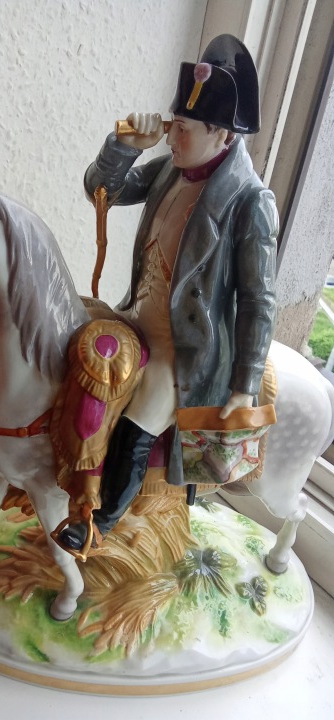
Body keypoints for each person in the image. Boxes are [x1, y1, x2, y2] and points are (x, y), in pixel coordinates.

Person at [58, 34, 278, 553]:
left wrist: (245, 383)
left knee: (137, 426)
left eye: (183, 128)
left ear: (220, 133)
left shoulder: (251, 202)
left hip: (181, 351)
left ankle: (100, 522)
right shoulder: (170, 170)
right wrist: (123, 146)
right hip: (136, 317)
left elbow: (258, 301)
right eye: (173, 124)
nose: (171, 137)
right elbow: (101, 191)